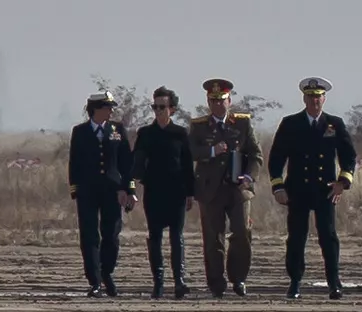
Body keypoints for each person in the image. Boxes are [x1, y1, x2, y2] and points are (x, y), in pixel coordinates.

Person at [268, 76, 357, 300]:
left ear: (324, 99)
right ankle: (295, 282)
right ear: (304, 99)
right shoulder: (290, 123)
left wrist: (342, 182)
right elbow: (276, 158)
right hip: (297, 190)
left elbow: (348, 156)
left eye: (318, 97)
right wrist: (278, 186)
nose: (314, 101)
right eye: (310, 97)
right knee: (296, 237)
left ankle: (334, 283)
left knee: (329, 237)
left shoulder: (334, 124)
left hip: (325, 191)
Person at [189, 78, 262, 297]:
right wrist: (212, 151)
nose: (218, 105)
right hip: (210, 189)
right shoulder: (199, 126)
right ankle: (216, 283)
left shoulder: (242, 123)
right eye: (213, 101)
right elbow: (190, 152)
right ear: (208, 102)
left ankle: (238, 278)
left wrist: (249, 176)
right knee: (213, 238)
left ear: (229, 101)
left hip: (238, 189)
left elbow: (256, 155)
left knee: (241, 232)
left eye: (221, 100)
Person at [130, 86, 196, 298]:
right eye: (155, 107)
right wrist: (133, 183)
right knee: (155, 236)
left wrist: (190, 193)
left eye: (162, 107)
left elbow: (187, 165)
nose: (158, 111)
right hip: (154, 192)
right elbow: (136, 162)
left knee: (177, 236)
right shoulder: (145, 134)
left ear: (172, 109)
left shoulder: (180, 134)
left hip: (176, 192)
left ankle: (179, 281)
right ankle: (158, 283)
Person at [68, 91, 135, 296]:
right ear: (95, 109)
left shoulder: (117, 129)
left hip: (112, 190)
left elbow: (126, 162)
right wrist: (75, 189)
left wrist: (129, 189)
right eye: (107, 107)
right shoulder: (80, 131)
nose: (111, 111)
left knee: (111, 234)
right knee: (89, 235)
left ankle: (107, 272)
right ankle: (95, 281)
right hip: (87, 191)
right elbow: (74, 162)